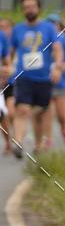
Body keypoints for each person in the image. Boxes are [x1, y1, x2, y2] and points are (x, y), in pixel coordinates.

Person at [10, 0, 63, 158]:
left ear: (39, 9)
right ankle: (18, 142)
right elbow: (11, 52)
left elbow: (57, 49)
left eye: (32, 6)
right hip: (24, 76)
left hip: (43, 78)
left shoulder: (48, 28)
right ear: (23, 10)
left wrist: (57, 68)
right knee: (22, 109)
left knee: (40, 113)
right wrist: (9, 68)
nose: (29, 10)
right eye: (26, 7)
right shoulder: (17, 29)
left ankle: (39, 144)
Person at [46, 15, 65, 147]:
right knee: (46, 112)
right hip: (45, 81)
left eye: (53, 24)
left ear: (58, 25)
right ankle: (47, 139)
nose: (50, 26)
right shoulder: (42, 39)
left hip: (62, 82)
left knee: (61, 114)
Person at [0, 19, 12, 153]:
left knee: (1, 115)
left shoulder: (2, 36)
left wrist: (5, 75)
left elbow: (7, 61)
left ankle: (8, 142)